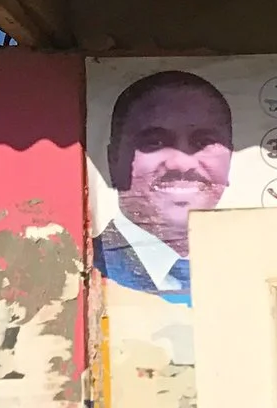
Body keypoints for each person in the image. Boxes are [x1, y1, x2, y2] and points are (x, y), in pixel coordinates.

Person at [96, 71, 233, 305]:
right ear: (114, 159)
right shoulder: (86, 269)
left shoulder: (251, 267)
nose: (182, 164)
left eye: (205, 142)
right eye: (155, 142)